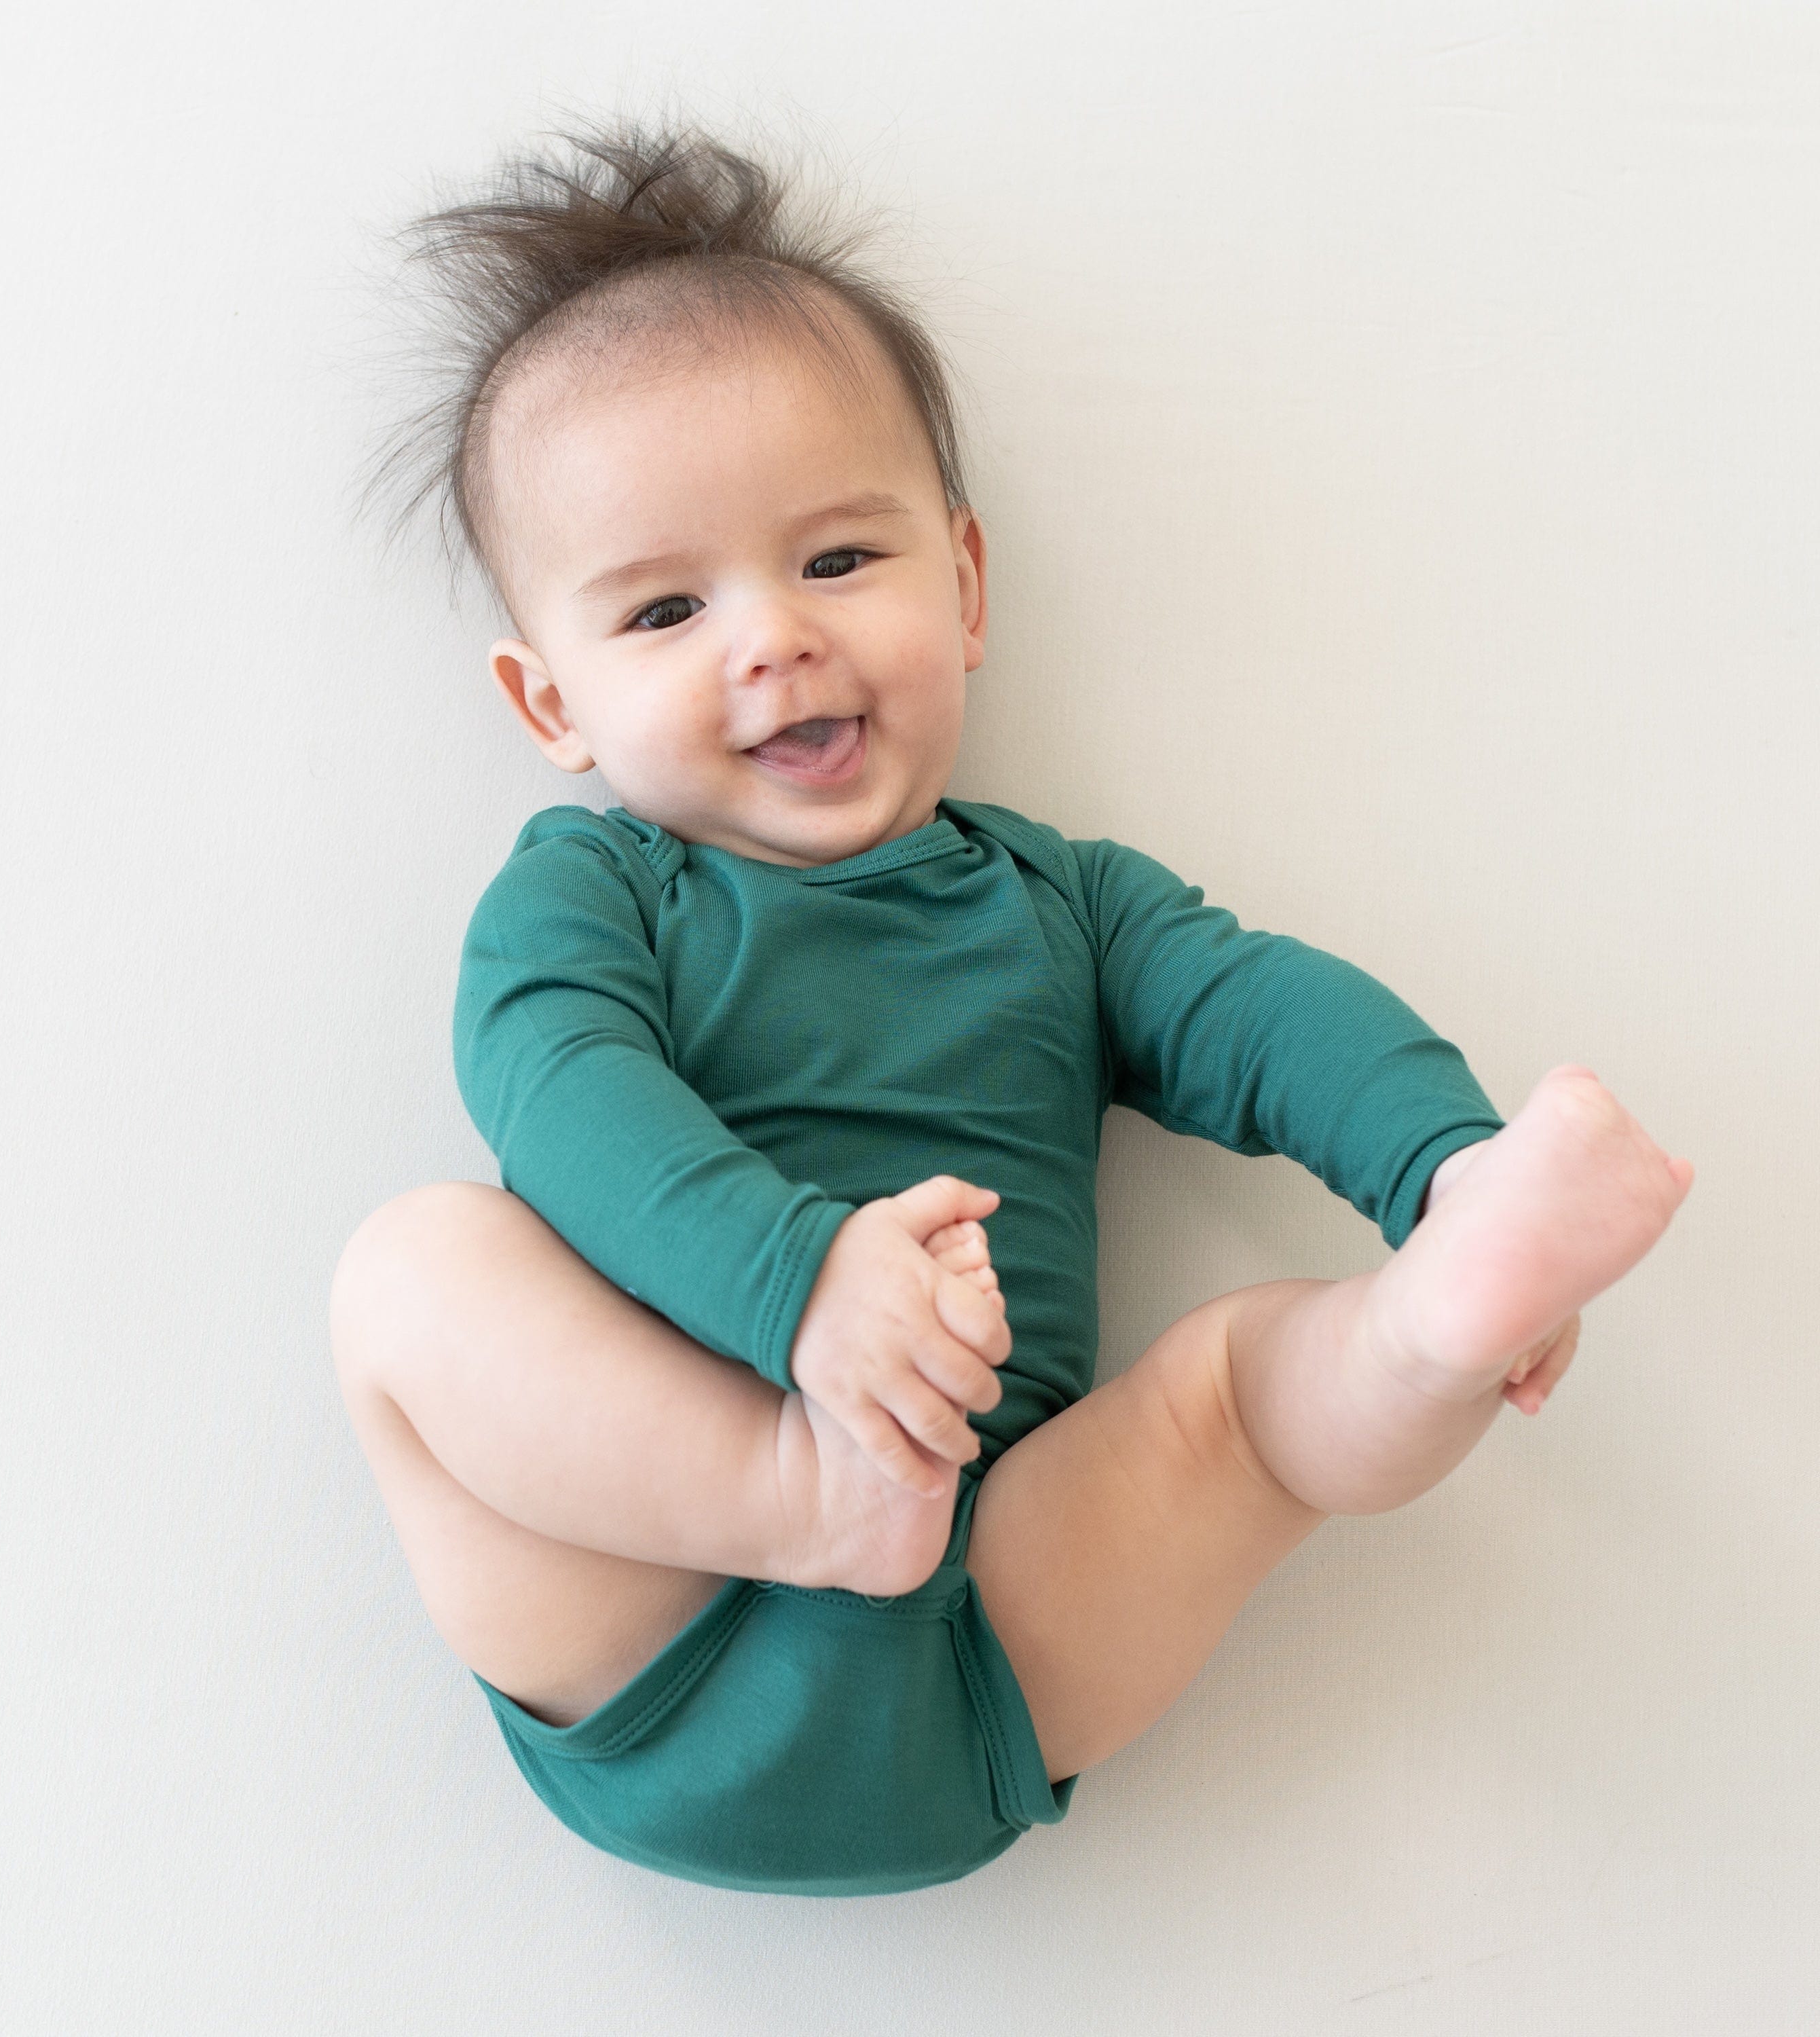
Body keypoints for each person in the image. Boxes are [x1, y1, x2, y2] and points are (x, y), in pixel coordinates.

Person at [330, 122, 1693, 1896]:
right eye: (666, 607)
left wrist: (1434, 1156)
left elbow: (1260, 1015)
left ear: (962, 589)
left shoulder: (1062, 905)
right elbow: (559, 1086)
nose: (770, 641)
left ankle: (1447, 1314)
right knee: (413, 1272)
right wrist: (803, 1290)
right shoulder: (591, 898)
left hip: (1000, 1610)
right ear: (553, 702)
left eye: (835, 563)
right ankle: (800, 1495)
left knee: (1239, 1396)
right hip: (653, 1623)